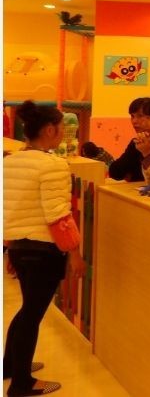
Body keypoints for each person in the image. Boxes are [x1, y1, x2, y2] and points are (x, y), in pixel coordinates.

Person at [3, 101, 87, 396]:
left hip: (19, 248)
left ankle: (11, 365)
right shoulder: (53, 165)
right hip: (42, 251)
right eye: (62, 127)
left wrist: (10, 246)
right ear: (50, 129)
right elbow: (59, 216)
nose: (64, 132)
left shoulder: (9, 162)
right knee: (32, 314)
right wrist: (75, 253)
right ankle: (21, 384)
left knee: (28, 309)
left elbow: (8, 209)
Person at [108, 98, 150, 182]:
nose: (134, 121)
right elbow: (115, 172)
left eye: (140, 116)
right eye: (132, 116)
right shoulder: (136, 142)